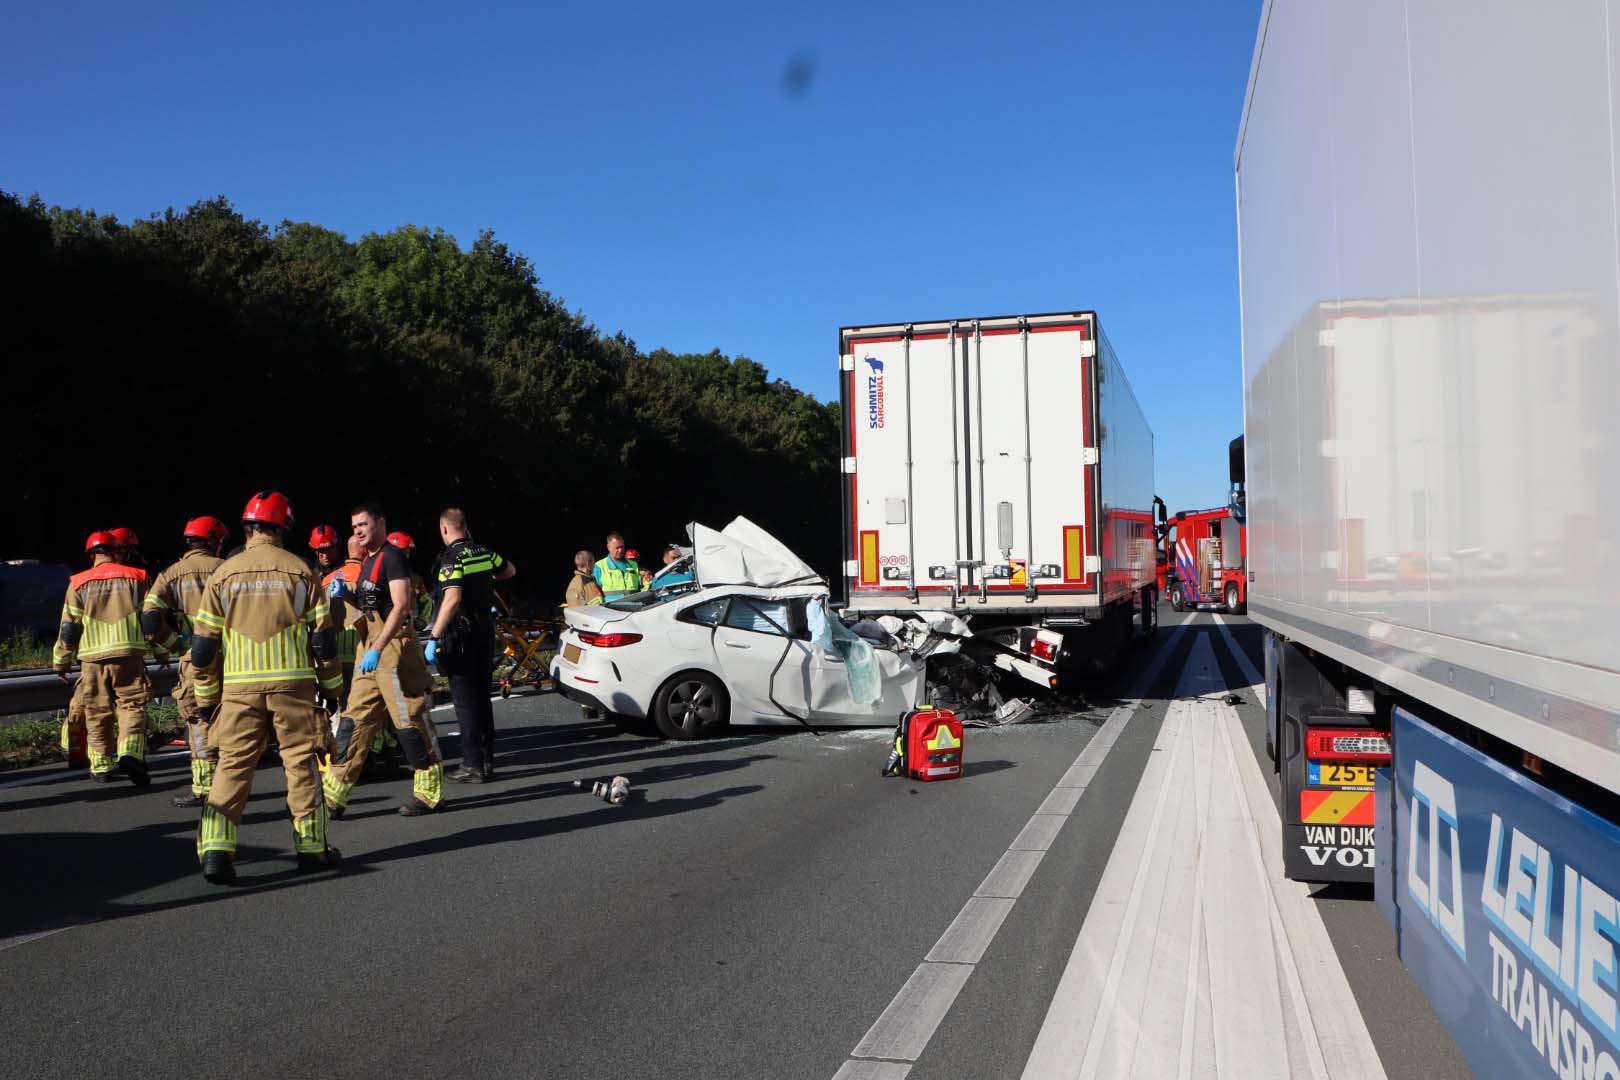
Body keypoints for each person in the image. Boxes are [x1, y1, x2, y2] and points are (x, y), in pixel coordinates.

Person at [190, 490, 343, 884]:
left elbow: (203, 648)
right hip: (293, 686)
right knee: (301, 765)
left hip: (239, 688)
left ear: (248, 527)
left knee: (232, 767)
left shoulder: (223, 574)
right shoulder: (302, 571)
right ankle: (311, 850)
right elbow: (324, 641)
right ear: (284, 528)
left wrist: (207, 699)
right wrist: (331, 687)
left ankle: (216, 853)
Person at [322, 502, 447, 817]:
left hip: (391, 650)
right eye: (354, 527)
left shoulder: (391, 558)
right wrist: (346, 595)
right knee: (355, 722)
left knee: (410, 722)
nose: (359, 531)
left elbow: (401, 606)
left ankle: (430, 794)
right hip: (371, 647)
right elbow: (371, 603)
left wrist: (379, 646)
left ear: (381, 522)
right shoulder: (368, 560)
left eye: (363, 524)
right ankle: (332, 797)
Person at [141, 516, 229, 807]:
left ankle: (205, 787)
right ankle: (233, 782)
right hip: (235, 656)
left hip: (196, 658)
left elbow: (150, 620)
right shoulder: (227, 569)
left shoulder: (171, 574)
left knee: (198, 718)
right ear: (214, 541)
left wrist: (176, 644)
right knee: (234, 717)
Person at [53, 530, 154, 785]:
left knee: (96, 710)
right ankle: (130, 752)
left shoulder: (77, 582)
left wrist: (61, 660)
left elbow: (69, 627)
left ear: (91, 554)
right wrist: (164, 649)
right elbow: (150, 619)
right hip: (128, 654)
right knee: (131, 706)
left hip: (92, 658)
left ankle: (101, 764)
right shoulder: (136, 577)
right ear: (116, 550)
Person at [425, 507, 516, 783]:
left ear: (444, 529)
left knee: (465, 702)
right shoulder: (484, 552)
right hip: (484, 633)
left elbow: (451, 598)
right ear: (465, 526)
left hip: (461, 637)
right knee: (482, 697)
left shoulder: (452, 558)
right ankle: (487, 760)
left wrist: (434, 636)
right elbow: (510, 570)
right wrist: (485, 583)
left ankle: (471, 764)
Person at [386, 531, 435, 630]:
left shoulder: (415, 579)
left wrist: (422, 620)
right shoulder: (379, 576)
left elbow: (426, 601)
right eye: (404, 552)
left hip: (408, 632)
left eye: (408, 552)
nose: (407, 556)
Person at [593, 532, 641, 602]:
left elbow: (641, 587)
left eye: (622, 547)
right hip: (612, 610)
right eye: (617, 548)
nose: (620, 550)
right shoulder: (599, 566)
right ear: (608, 547)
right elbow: (595, 593)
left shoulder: (633, 565)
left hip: (634, 608)